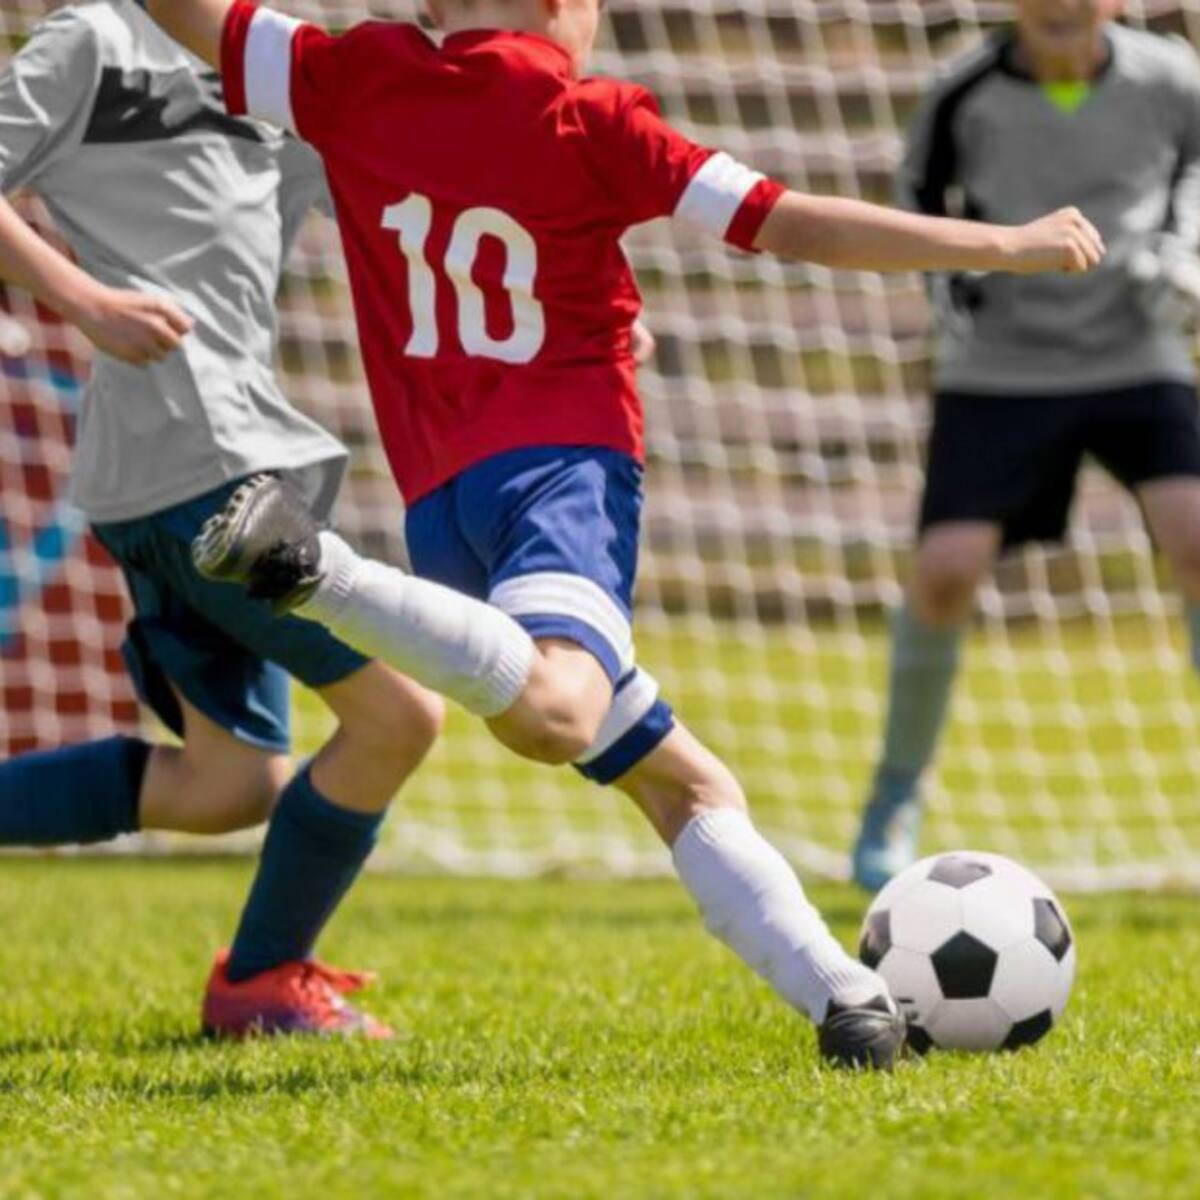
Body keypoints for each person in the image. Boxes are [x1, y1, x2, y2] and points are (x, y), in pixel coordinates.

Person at [141, 0, 1103, 1069]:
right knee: (559, 710)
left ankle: (851, 1006)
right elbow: (797, 223)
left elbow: (188, 14)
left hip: (442, 506)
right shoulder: (586, 116)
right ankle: (312, 567)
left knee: (685, 785)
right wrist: (1006, 242)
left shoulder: (350, 74)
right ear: (564, 7)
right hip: (562, 475)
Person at [0, 0, 446, 1037]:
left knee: (228, 783)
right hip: (186, 465)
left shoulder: (271, 60)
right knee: (398, 716)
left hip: (237, 460)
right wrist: (86, 301)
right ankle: (260, 983)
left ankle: (262, 980)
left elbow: (403, 201)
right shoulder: (94, 40)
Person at [849, 0, 1200, 891]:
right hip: (1002, 366)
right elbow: (919, 199)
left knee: (1197, 536)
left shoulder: (1171, 79)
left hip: (1136, 350)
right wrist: (957, 287)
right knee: (945, 571)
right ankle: (894, 797)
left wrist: (1180, 250)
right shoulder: (962, 89)